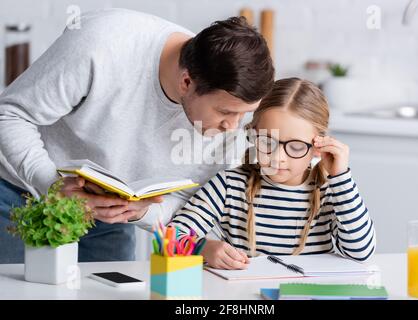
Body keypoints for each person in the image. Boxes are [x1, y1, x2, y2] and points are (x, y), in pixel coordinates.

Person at [0, 8, 274, 263]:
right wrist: (51, 184)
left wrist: (142, 212)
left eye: (245, 114)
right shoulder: (102, 44)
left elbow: (189, 200)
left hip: (111, 219)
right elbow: (11, 115)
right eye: (225, 112)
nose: (233, 127)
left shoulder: (228, 116)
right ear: (187, 82)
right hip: (23, 194)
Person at [169, 78, 376, 270]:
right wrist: (203, 248)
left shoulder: (332, 192)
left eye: (295, 147)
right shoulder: (229, 186)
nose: (277, 158)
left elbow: (361, 253)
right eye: (268, 142)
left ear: (317, 147)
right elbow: (169, 237)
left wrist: (341, 178)